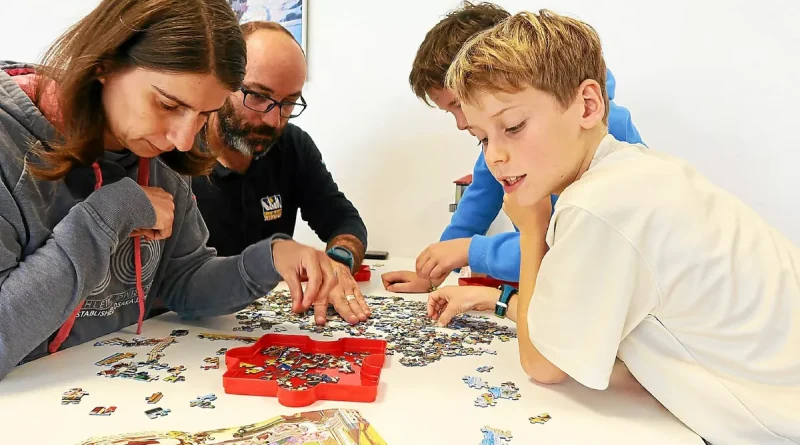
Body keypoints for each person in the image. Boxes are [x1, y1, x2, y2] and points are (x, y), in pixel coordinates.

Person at [433, 9, 800, 443]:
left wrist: (533, 229)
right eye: (482, 138)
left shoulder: (598, 205)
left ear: (588, 105)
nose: (495, 155)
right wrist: (495, 299)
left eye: (512, 127)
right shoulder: (640, 171)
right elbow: (579, 326)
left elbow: (546, 365)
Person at [0, 0, 339, 381]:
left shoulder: (158, 147)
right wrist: (110, 214)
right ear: (104, 64)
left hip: (107, 392)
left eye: (205, 115)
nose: (182, 140)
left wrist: (270, 259)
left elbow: (184, 282)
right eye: (167, 104)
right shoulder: (7, 142)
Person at [381, 1, 643, 293]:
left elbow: (571, 253)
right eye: (485, 139)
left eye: (515, 126)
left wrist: (473, 251)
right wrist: (435, 268)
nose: (460, 124)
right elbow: (478, 203)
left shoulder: (610, 136)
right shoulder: (501, 148)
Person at [192, 21, 370, 326]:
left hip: (267, 328)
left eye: (288, 103)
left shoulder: (293, 145)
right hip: (186, 325)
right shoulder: (176, 153)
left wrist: (339, 264)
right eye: (258, 96)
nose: (274, 120)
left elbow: (343, 219)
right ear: (221, 83)